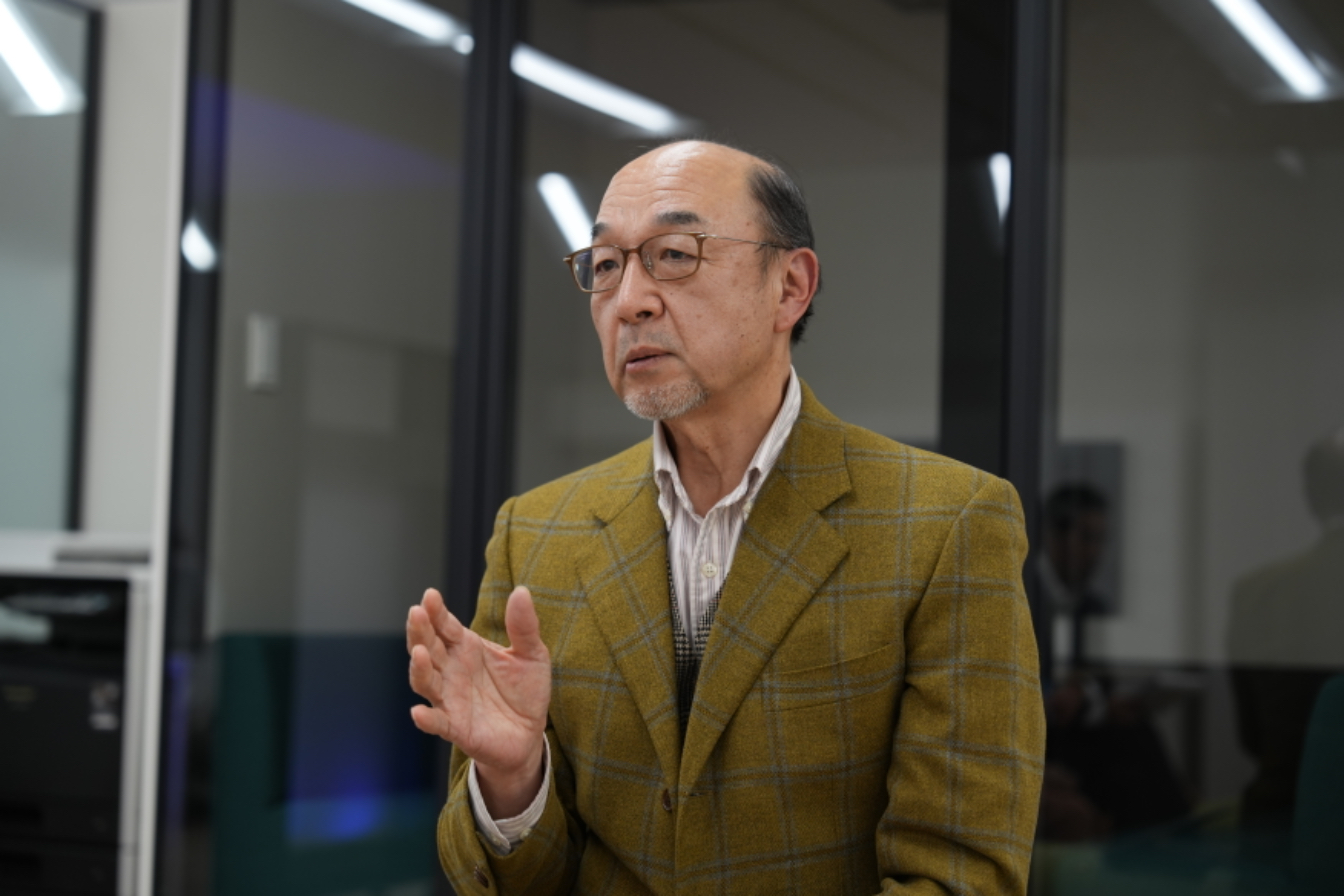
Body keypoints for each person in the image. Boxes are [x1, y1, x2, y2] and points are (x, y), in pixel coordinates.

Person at [407, 140, 1045, 894]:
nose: (630, 300)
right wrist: (515, 778)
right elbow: (513, 880)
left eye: (675, 255)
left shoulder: (947, 523)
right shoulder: (536, 530)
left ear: (790, 287)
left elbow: (960, 875)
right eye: (605, 266)